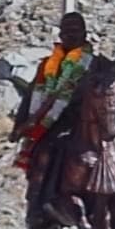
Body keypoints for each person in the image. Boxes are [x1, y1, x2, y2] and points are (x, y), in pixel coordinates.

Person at [12, 11, 93, 174]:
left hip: (85, 125)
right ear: (61, 34)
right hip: (50, 125)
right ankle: (40, 196)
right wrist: (19, 125)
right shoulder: (47, 65)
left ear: (84, 34)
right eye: (67, 31)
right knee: (42, 160)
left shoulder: (96, 65)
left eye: (76, 31)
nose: (72, 35)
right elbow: (29, 96)